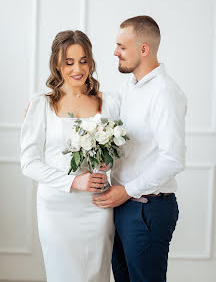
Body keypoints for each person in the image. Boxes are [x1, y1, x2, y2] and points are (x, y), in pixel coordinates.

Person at [93, 16, 187, 282]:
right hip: (123, 205)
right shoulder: (129, 88)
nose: (115, 52)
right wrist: (44, 103)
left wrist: (126, 192)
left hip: (148, 208)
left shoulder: (166, 94)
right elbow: (102, 111)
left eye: (122, 46)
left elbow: (173, 159)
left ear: (143, 49)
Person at [20, 30, 119, 282]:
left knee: (95, 274)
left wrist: (109, 162)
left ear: (91, 62)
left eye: (84, 60)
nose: (78, 68)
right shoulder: (41, 105)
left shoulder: (108, 102)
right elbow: (29, 163)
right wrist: (73, 182)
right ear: (57, 64)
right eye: (69, 62)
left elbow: (123, 152)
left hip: (97, 206)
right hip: (56, 208)